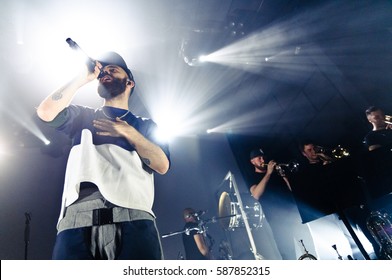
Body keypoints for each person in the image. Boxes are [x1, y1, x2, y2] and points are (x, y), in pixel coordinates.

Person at [36, 51, 170, 260]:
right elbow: (46, 112)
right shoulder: (83, 116)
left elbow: (162, 165)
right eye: (104, 71)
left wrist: (130, 133)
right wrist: (83, 78)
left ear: (129, 83)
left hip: (132, 215)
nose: (106, 73)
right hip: (78, 216)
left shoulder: (145, 125)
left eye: (113, 70)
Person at [294, 140, 377, 259]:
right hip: (338, 209)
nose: (313, 152)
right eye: (309, 150)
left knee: (371, 233)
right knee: (352, 240)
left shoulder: (328, 160)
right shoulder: (308, 171)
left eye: (314, 148)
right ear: (303, 153)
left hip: (353, 202)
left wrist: (331, 163)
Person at [248, 148, 314, 260]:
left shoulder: (275, 173)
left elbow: (290, 191)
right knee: (288, 253)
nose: (262, 159)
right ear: (252, 162)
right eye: (259, 158)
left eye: (263, 157)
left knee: (308, 246)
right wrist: (268, 173)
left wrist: (284, 177)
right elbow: (256, 195)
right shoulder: (252, 177)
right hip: (276, 220)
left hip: (293, 214)